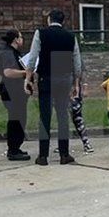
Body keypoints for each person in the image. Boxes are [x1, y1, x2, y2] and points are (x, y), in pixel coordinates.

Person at [24, 10, 82, 166]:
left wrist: (28, 78)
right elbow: (77, 61)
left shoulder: (41, 33)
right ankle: (64, 154)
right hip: (64, 79)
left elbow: (33, 57)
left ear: (49, 20)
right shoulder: (70, 36)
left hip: (46, 78)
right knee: (63, 116)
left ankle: (43, 156)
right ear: (62, 21)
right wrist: (76, 83)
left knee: (45, 116)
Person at [0, 29, 30, 162]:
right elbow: (8, 72)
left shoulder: (13, 53)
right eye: (21, 37)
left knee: (19, 119)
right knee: (16, 120)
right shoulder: (8, 53)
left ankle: (16, 147)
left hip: (16, 92)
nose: (22, 39)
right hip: (11, 92)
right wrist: (25, 72)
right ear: (16, 39)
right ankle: (13, 150)